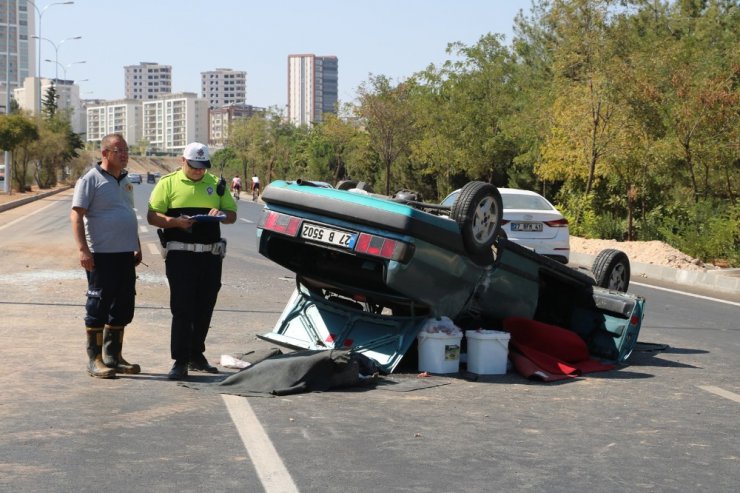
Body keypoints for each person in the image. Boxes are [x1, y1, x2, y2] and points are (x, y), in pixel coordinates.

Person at [147, 142, 237, 380]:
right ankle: (180, 360)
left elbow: (232, 215)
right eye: (194, 166)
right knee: (183, 308)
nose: (199, 171)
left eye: (203, 167)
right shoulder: (167, 183)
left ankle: (197, 355)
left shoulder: (216, 185)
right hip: (181, 256)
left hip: (210, 256)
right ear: (182, 161)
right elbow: (152, 216)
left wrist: (221, 215)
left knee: (205, 306)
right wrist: (175, 222)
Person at [70, 133, 142, 379]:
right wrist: (83, 249)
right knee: (98, 305)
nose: (124, 154)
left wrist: (136, 244)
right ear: (104, 153)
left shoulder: (125, 180)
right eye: (118, 150)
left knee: (122, 305)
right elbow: (76, 215)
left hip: (125, 254)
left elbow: (127, 213)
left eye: (126, 150)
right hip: (101, 255)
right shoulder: (91, 179)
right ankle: (95, 359)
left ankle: (114, 356)